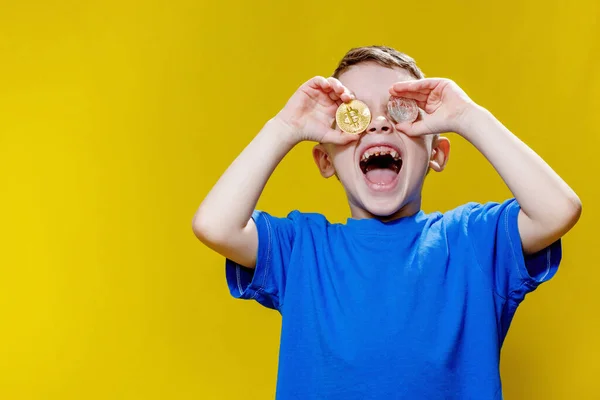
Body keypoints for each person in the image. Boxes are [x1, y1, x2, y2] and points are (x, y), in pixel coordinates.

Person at [192, 45, 581, 399]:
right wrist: (284, 127)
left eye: (400, 110)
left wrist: (467, 116)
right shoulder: (301, 250)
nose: (378, 124)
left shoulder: (472, 241)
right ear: (325, 160)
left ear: (437, 154)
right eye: (354, 115)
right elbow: (215, 225)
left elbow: (557, 210)